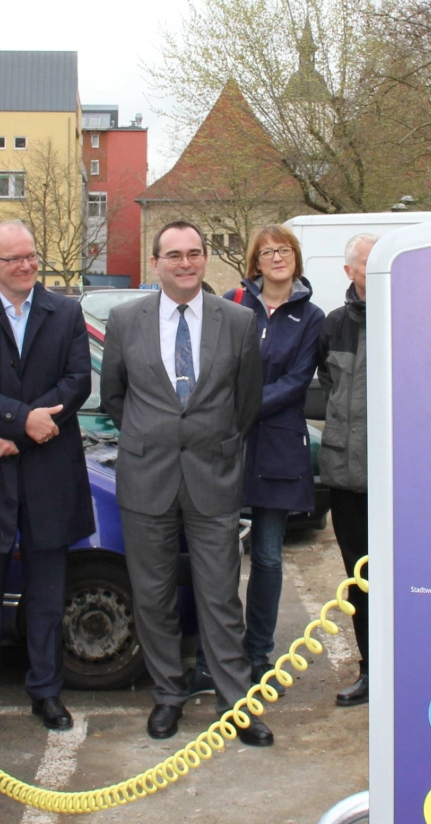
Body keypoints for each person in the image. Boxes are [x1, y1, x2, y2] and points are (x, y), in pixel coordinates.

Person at [99, 220, 274, 748]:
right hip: (146, 477)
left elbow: (246, 403)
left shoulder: (239, 321)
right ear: (156, 263)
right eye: (173, 254)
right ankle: (168, 696)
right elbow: (114, 397)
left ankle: (235, 703)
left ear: (204, 260)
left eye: (194, 253)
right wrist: (153, 434)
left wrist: (208, 439)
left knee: (221, 597)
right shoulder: (126, 320)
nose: (185, 263)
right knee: (152, 597)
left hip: (213, 478)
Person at [0, 221, 93, 736]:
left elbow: (76, 383)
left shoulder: (66, 313)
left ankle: (46, 692)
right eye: (14, 259)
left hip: (50, 475)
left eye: (31, 255)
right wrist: (19, 421)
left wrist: (24, 432)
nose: (27, 265)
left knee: (48, 597)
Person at [188, 224, 326, 697]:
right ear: (254, 262)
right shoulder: (233, 304)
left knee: (267, 557)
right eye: (267, 252)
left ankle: (257, 655)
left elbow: (296, 381)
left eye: (284, 250)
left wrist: (242, 406)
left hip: (278, 448)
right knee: (218, 557)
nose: (277, 258)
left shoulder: (311, 317)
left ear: (296, 258)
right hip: (226, 446)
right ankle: (213, 656)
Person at [317, 232, 378, 707]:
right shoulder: (333, 325)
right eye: (369, 262)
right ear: (350, 272)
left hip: (394, 482)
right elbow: (327, 386)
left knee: (402, 583)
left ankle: (402, 667)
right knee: (359, 582)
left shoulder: (410, 318)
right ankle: (370, 670)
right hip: (345, 477)